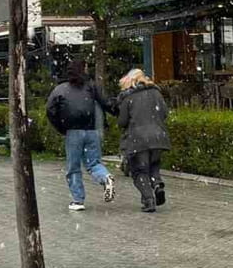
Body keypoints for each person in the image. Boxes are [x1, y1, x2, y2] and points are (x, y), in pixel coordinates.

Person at [45, 60, 115, 211]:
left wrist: (61, 127)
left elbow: (50, 110)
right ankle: (105, 177)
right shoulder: (91, 87)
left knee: (73, 167)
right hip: (91, 131)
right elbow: (106, 103)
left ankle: (78, 200)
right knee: (94, 163)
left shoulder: (60, 90)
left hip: (73, 132)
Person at [115, 68, 170, 213]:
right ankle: (157, 184)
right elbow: (164, 113)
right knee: (154, 165)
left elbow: (122, 122)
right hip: (158, 137)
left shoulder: (128, 97)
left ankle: (148, 200)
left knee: (139, 171)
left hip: (138, 140)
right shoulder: (156, 92)